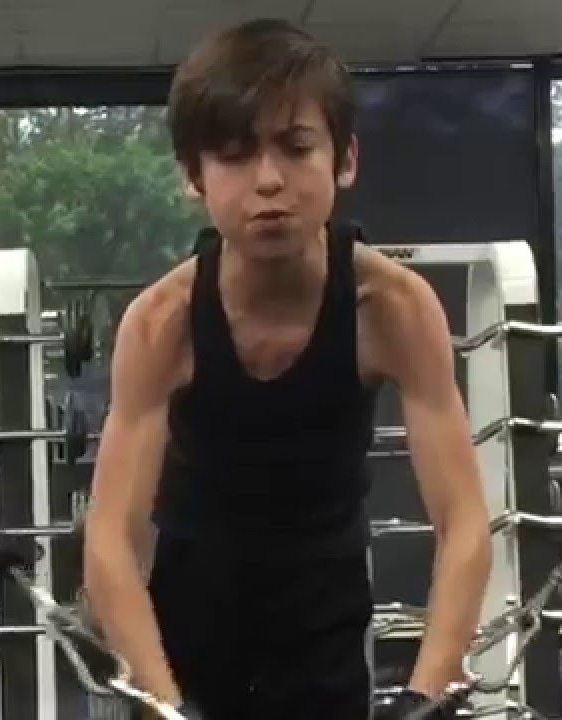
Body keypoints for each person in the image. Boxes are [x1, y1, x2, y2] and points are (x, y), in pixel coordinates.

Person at [82, 17, 492, 720]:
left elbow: (464, 522)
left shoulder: (393, 309)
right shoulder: (161, 324)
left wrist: (427, 695)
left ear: (344, 159)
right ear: (193, 176)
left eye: (296, 147)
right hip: (188, 626)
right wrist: (161, 704)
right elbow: (111, 541)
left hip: (325, 620)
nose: (269, 180)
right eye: (235, 155)